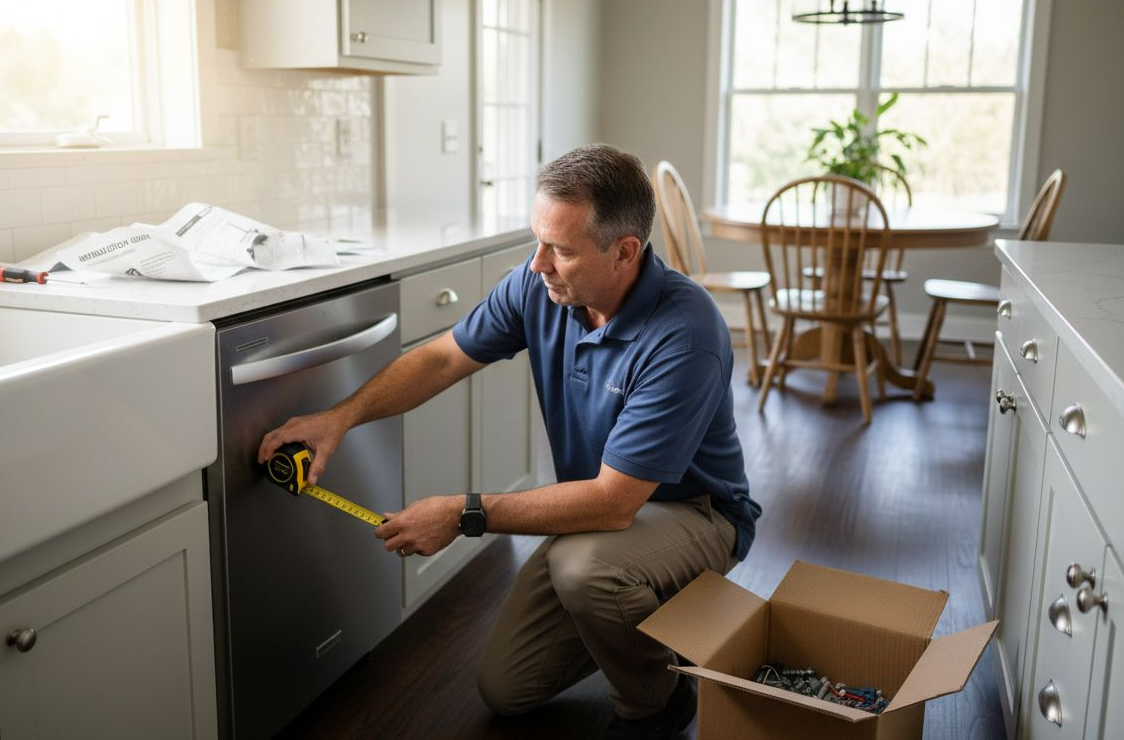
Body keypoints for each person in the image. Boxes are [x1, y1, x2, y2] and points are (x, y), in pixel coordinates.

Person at [258, 143, 760, 739]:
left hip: (695, 513)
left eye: (562, 250)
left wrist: (464, 514)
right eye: (538, 240)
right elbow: (444, 358)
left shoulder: (685, 334)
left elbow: (613, 502)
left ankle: (657, 700)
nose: (538, 263)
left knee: (584, 572)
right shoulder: (539, 287)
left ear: (625, 251)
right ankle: (637, 616)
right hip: (604, 512)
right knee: (506, 687)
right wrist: (340, 418)